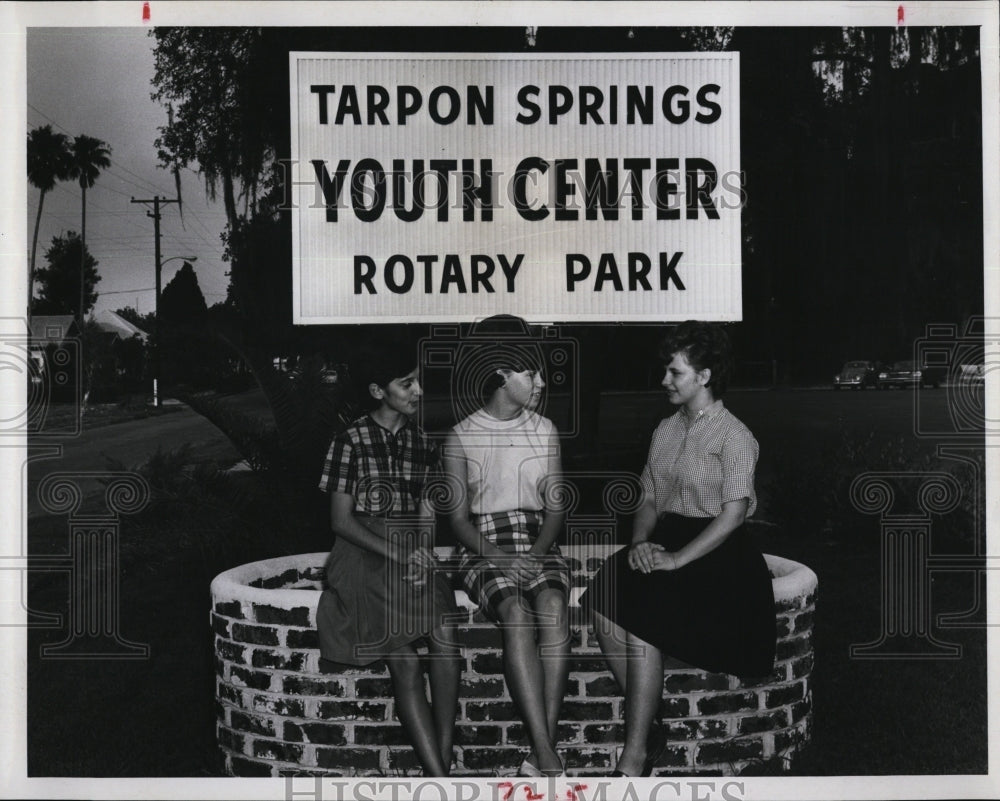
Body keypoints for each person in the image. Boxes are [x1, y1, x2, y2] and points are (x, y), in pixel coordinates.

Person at [580, 321, 776, 777]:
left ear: (704, 377)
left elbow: (734, 514)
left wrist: (676, 559)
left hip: (719, 553)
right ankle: (653, 722)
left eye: (675, 373)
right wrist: (641, 545)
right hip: (668, 538)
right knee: (606, 595)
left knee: (646, 613)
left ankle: (633, 756)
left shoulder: (735, 435)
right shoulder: (664, 431)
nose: (664, 381)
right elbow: (648, 497)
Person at [316, 344, 462, 776]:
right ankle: (440, 779)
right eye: (406, 383)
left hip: (408, 551)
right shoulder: (349, 441)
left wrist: (421, 553)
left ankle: (445, 754)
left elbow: (427, 511)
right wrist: (401, 553)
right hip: (363, 554)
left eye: (418, 380)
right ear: (379, 390)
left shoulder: (422, 442)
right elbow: (341, 522)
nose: (418, 390)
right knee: (406, 658)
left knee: (447, 641)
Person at [442, 337, 570, 777]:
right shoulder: (461, 436)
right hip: (483, 543)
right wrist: (500, 557)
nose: (540, 383)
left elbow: (556, 508)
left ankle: (542, 751)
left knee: (552, 607)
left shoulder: (546, 429)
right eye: (530, 375)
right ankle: (546, 752)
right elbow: (458, 522)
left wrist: (534, 555)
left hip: (538, 539)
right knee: (516, 613)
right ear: (501, 376)